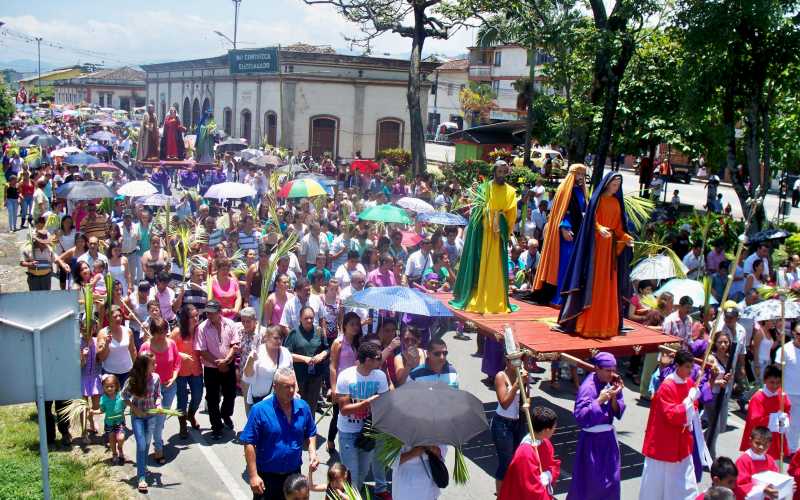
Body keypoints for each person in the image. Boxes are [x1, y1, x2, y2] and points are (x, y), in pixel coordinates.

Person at [558, 172, 633, 338]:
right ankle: (587, 323)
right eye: (614, 184)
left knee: (608, 286)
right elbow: (591, 221)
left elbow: (619, 228)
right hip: (596, 251)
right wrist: (599, 228)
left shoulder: (616, 203)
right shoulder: (596, 200)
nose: (616, 187)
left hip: (610, 251)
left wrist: (626, 238)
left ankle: (606, 325)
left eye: (618, 185)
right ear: (607, 184)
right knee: (595, 284)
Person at [241, 367, 319, 500]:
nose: (291, 391)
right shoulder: (259, 410)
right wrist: (253, 475)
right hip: (267, 477)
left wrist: (312, 452)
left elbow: (311, 432)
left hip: (293, 475)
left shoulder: (303, 407)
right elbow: (249, 443)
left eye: (293, 386)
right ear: (275, 387)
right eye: (286, 387)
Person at [451, 160, 517, 313]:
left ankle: (495, 299)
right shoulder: (483, 188)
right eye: (499, 172)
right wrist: (485, 215)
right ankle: (477, 294)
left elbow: (511, 216)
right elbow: (475, 210)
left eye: (504, 172)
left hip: (497, 236)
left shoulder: (511, 192)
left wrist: (500, 221)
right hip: (483, 234)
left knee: (496, 266)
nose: (502, 175)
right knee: (480, 264)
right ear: (494, 172)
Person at [639, 349, 700, 500]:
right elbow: (671, 414)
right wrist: (688, 402)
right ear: (677, 365)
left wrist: (693, 401)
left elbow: (693, 409)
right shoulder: (667, 386)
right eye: (686, 367)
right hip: (664, 442)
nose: (689, 370)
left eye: (691, 367)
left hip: (681, 442)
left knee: (684, 484)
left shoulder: (690, 383)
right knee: (657, 485)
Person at [567, 352, 625, 500]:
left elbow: (618, 411)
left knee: (612, 480)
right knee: (591, 482)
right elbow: (580, 417)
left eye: (613, 370)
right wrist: (599, 401)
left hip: (608, 439)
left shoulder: (612, 381)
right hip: (592, 441)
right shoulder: (587, 388)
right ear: (597, 368)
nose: (611, 374)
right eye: (607, 370)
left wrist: (613, 397)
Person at [335, 342, 391, 495]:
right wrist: (367, 403)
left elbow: (385, 404)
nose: (381, 360)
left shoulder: (379, 376)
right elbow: (344, 410)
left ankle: (354, 496)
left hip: (368, 431)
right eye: (378, 358)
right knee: (351, 474)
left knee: (362, 473)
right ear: (367, 360)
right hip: (348, 431)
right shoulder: (346, 376)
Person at [533, 163, 587, 305]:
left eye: (583, 174)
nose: (581, 177)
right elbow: (559, 213)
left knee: (573, 264)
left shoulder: (580, 191)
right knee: (564, 263)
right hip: (564, 235)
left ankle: (569, 297)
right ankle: (558, 296)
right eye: (578, 173)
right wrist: (564, 227)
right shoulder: (564, 189)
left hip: (577, 232)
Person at [195, 300, 240, 439]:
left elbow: (235, 344)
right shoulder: (202, 328)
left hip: (228, 365)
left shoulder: (230, 324)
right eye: (208, 312)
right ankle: (216, 426)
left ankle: (225, 414)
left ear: (219, 312)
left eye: (212, 312)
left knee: (230, 394)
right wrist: (218, 363)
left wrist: (226, 361)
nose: (209, 315)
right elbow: (202, 350)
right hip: (211, 368)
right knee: (212, 398)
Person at [139, 317, 181, 464]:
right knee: (156, 420)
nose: (160, 335)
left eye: (163, 332)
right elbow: (140, 368)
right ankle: (158, 449)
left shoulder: (172, 344)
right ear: (152, 332)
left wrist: (174, 378)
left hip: (169, 387)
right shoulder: (145, 347)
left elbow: (177, 362)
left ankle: (157, 443)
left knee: (160, 419)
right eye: (157, 332)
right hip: (151, 389)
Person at [497, 406, 561, 500]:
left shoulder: (546, 443)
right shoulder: (525, 453)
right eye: (554, 428)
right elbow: (531, 489)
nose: (554, 430)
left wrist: (548, 475)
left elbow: (553, 465)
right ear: (545, 430)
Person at [122, 352, 162, 494]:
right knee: (141, 444)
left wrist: (159, 406)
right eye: (153, 364)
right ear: (144, 367)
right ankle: (141, 478)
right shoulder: (132, 381)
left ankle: (143, 467)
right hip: (137, 417)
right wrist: (135, 409)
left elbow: (158, 395)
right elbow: (124, 397)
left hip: (151, 417)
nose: (156, 366)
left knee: (146, 443)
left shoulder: (156, 378)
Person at [739, 363, 791, 461]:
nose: (775, 385)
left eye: (778, 382)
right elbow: (755, 421)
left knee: (773, 466)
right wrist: (775, 417)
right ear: (765, 380)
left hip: (776, 438)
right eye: (772, 382)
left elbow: (787, 411)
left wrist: (783, 420)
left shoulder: (782, 394)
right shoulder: (758, 398)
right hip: (760, 440)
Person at [284, 306, 329, 415]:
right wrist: (304, 359)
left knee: (311, 406)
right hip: (299, 376)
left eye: (311, 318)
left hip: (316, 376)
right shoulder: (294, 333)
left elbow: (327, 348)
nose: (309, 320)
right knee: (298, 405)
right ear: (300, 318)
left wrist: (322, 355)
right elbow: (286, 354)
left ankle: (309, 429)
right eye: (306, 318)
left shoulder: (318, 331)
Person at [491, 356, 527, 494]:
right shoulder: (501, 376)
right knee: (506, 463)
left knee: (517, 460)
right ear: (507, 361)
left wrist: (525, 387)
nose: (519, 363)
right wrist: (517, 385)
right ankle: (500, 495)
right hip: (503, 424)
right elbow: (504, 403)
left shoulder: (522, 375)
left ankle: (511, 491)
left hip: (518, 423)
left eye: (520, 360)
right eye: (515, 360)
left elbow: (525, 398)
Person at [328, 312, 361, 453]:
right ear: (345, 326)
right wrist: (334, 387)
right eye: (351, 324)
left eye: (357, 324)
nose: (355, 327)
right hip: (341, 384)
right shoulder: (338, 343)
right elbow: (333, 366)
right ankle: (330, 440)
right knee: (338, 414)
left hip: (353, 383)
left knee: (353, 413)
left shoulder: (358, 342)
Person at [171, 304, 204, 437]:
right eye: (192, 316)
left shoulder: (199, 330)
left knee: (197, 396)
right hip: (180, 372)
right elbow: (168, 349)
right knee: (182, 400)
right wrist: (180, 355)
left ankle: (191, 415)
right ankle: (182, 424)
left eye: (197, 315)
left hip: (196, 370)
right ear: (185, 318)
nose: (196, 319)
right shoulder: (177, 332)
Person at [242, 325, 293, 409]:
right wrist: (251, 361)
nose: (279, 341)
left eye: (281, 338)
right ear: (266, 338)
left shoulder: (285, 352)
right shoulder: (257, 352)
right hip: (260, 401)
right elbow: (247, 375)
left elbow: (291, 372)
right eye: (276, 338)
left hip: (280, 400)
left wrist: (294, 391)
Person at [97, 306, 137, 389]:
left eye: (120, 316)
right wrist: (107, 344)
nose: (118, 318)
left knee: (126, 400)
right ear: (108, 318)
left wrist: (136, 368)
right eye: (115, 317)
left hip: (127, 372)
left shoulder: (128, 331)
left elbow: (133, 351)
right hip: (110, 374)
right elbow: (101, 357)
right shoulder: (103, 333)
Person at [735, 427, 781, 500]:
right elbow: (741, 485)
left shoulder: (770, 460)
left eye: (765, 444)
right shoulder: (743, 460)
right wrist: (763, 490)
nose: (761, 447)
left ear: (770, 444)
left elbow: (775, 478)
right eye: (757, 443)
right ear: (750, 441)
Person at [774, 331, 800, 453]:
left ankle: (792, 449)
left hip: (799, 394)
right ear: (794, 333)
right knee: (782, 422)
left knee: (796, 424)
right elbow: (776, 370)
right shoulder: (785, 349)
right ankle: (779, 446)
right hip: (785, 393)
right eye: (799, 333)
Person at [92, 375, 126, 464]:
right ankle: (114, 453)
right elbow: (102, 410)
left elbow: (126, 404)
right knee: (111, 439)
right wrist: (94, 412)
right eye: (107, 387)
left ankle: (120, 448)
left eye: (112, 386)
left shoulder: (120, 395)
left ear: (116, 386)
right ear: (103, 387)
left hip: (119, 422)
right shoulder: (103, 398)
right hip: (109, 423)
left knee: (121, 438)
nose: (109, 388)